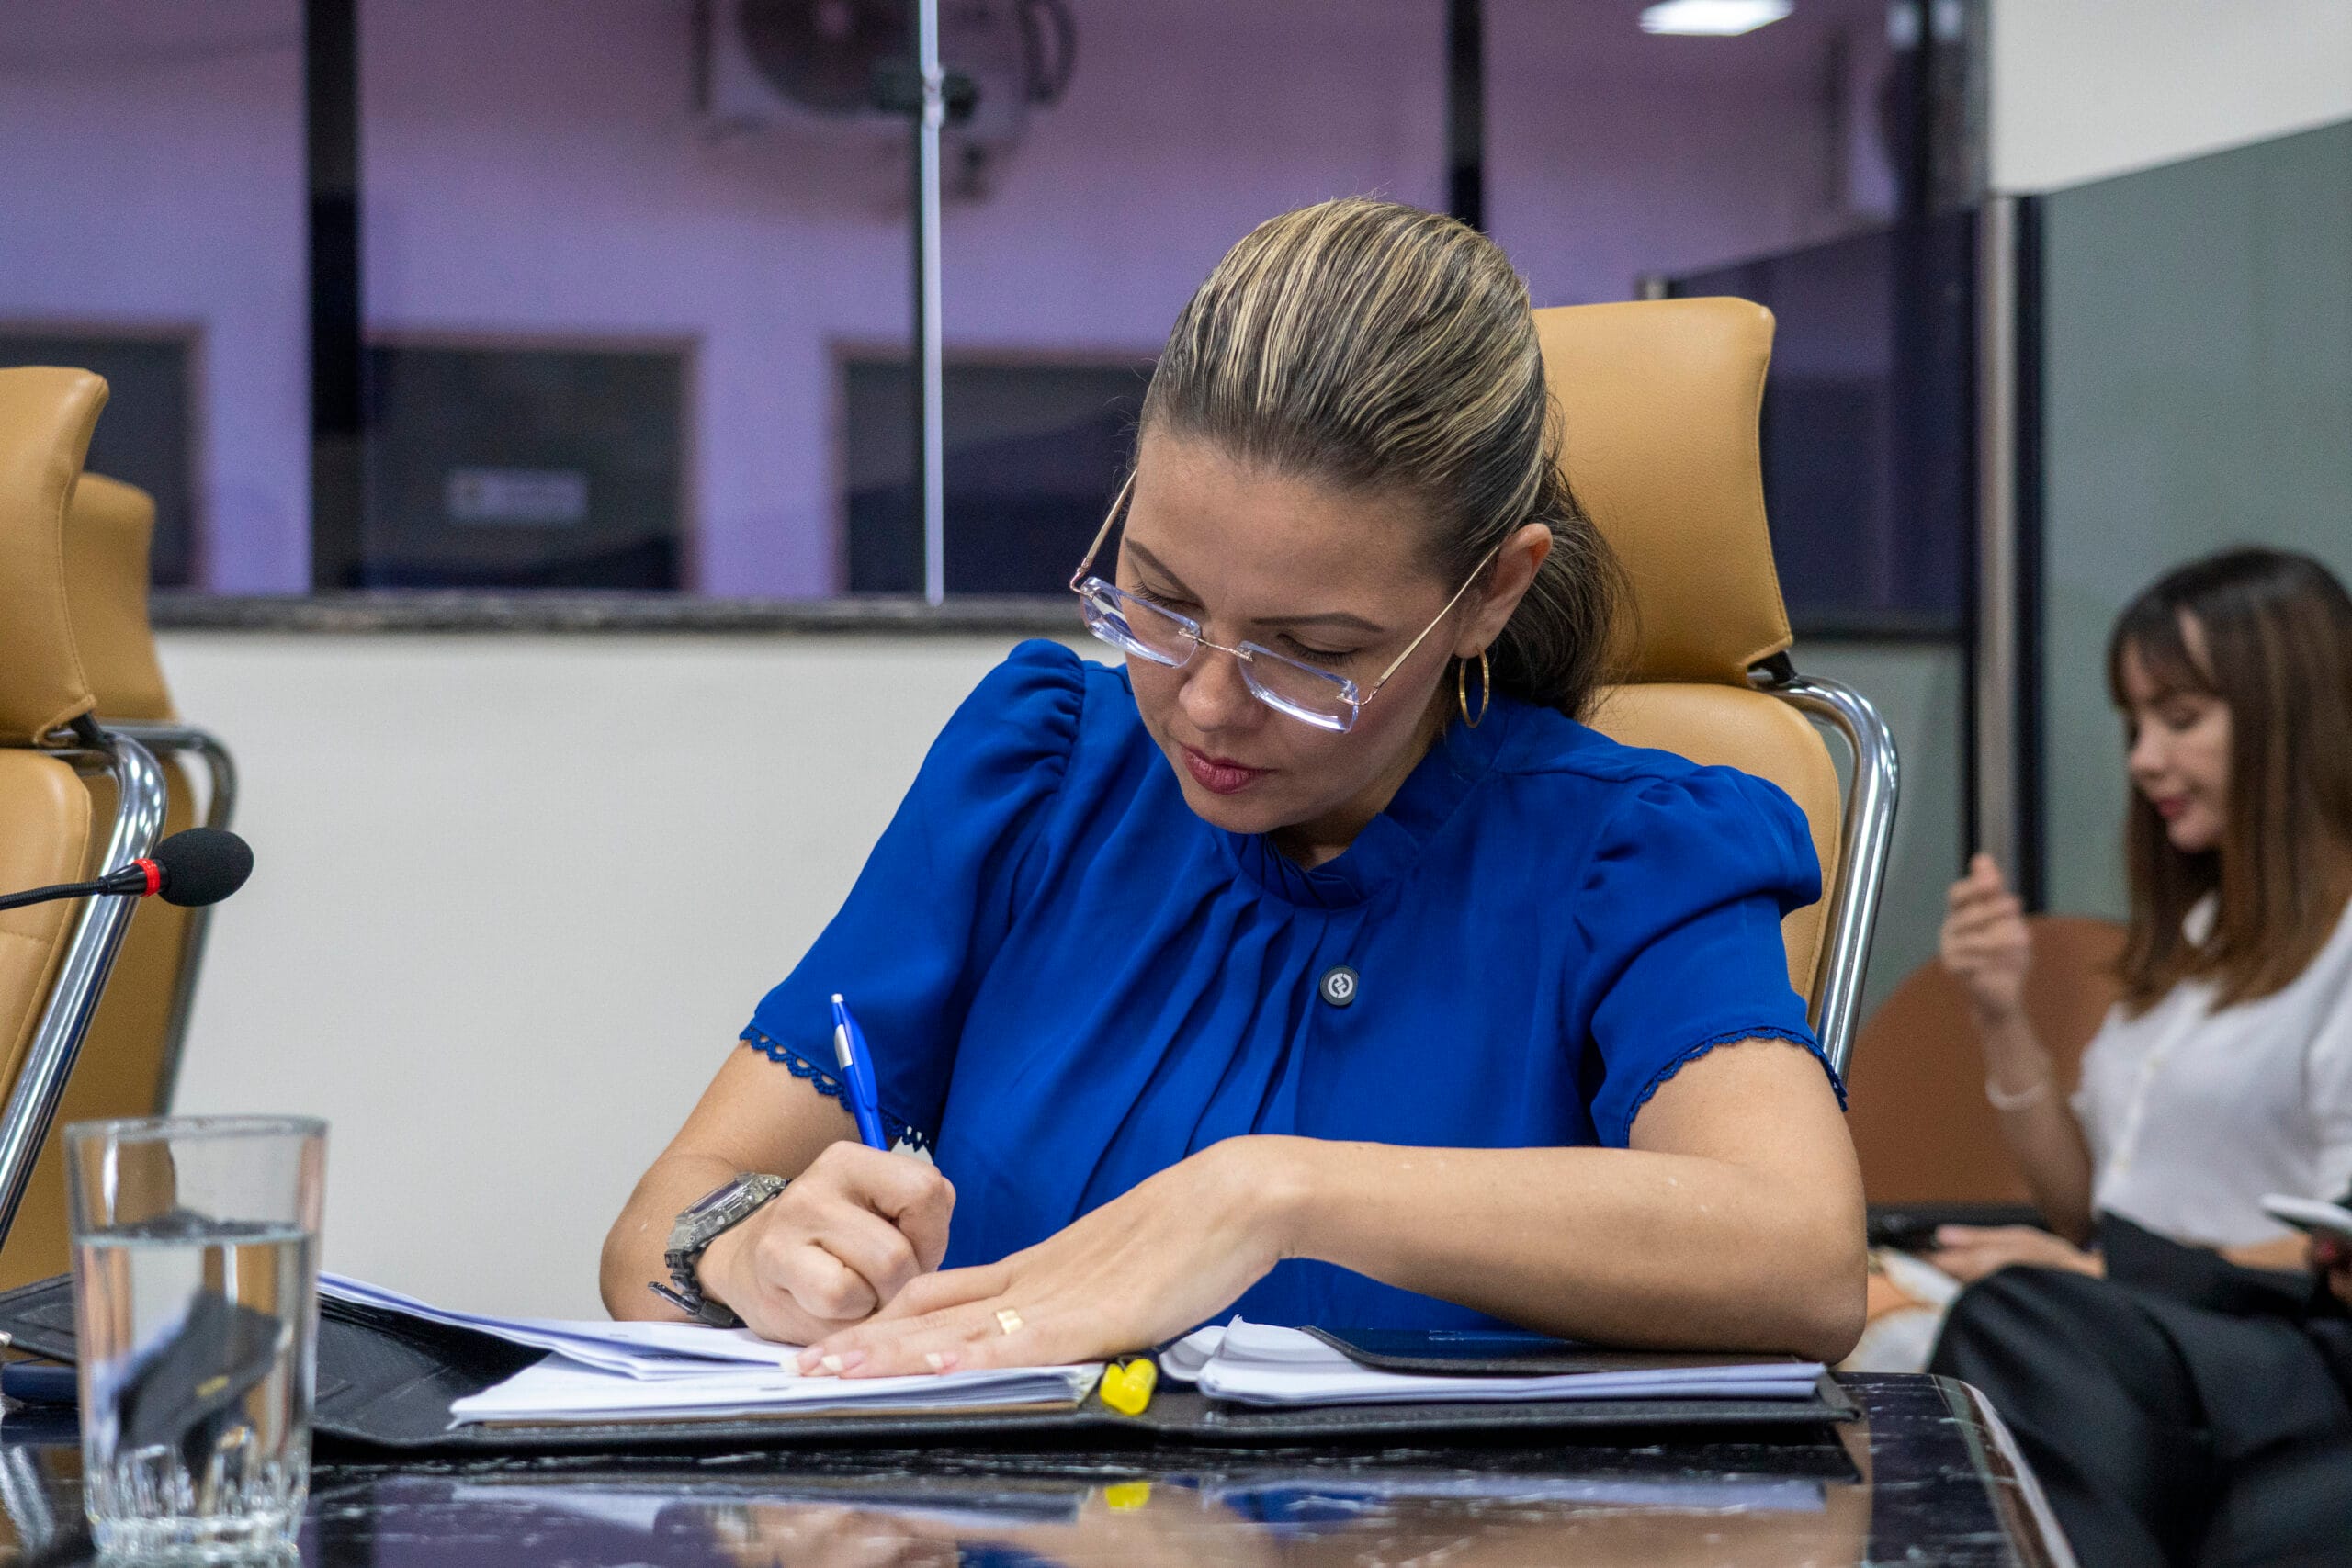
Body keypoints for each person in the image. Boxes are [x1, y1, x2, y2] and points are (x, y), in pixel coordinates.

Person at [603, 197, 1864, 1379]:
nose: (1206, 703)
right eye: (1159, 600)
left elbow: (1801, 1257)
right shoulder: (1041, 777)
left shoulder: (1628, 859)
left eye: (1309, 652)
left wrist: (1271, 1193)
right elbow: (654, 1230)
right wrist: (744, 1251)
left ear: (1492, 591)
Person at [1928, 547, 2352, 1566]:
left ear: (2293, 718)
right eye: (2135, 725)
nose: (2145, 761)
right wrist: (2000, 1012)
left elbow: (2330, 1251)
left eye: (2181, 718)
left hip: (2288, 1349)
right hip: (2161, 1334)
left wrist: (2102, 1271)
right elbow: (2085, 1207)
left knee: (2018, 1321)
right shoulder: (2200, 939)